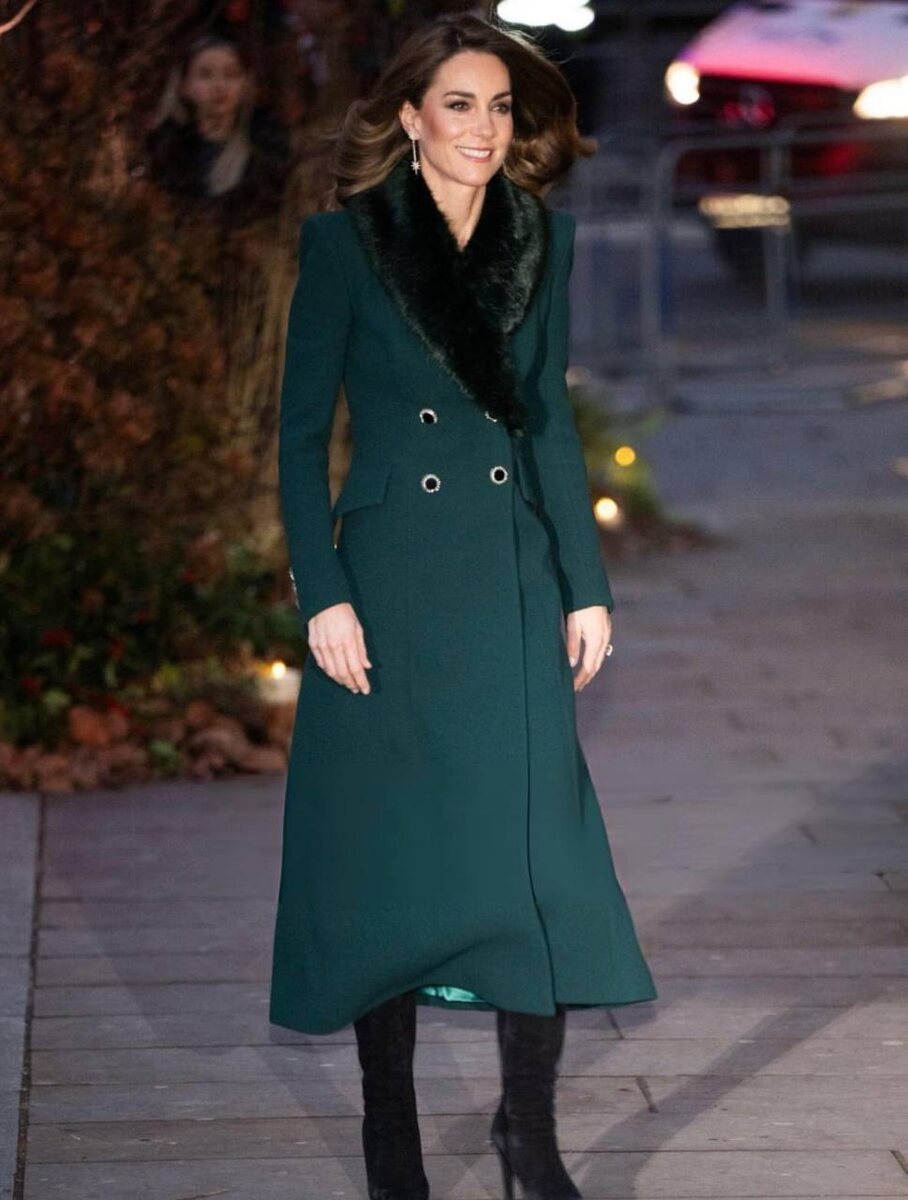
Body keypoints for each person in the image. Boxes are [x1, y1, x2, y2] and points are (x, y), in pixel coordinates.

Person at [268, 14, 657, 1200]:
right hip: (388, 590)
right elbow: (297, 436)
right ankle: (391, 1147)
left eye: (496, 106)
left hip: (507, 582)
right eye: (456, 104)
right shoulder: (344, 246)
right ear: (408, 118)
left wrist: (584, 586)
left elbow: (544, 424)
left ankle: (524, 1134)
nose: (482, 129)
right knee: (389, 867)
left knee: (539, 864)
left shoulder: (541, 241)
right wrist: (323, 593)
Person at [146, 30, 293, 225]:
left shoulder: (267, 150)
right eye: (205, 75)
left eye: (231, 75)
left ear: (245, 84)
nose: (219, 86)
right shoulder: (164, 152)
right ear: (184, 86)